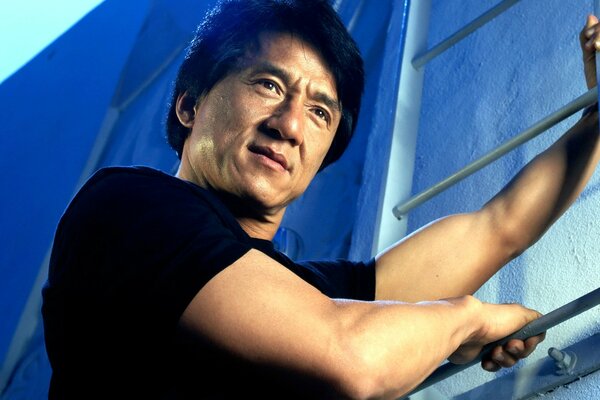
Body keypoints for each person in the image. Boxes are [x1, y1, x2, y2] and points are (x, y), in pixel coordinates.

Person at [41, 0, 600, 398]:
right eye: (268, 85)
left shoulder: (307, 295)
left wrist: (597, 113)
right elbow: (351, 358)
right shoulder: (127, 208)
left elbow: (498, 227)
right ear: (189, 105)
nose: (289, 126)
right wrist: (465, 321)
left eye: (319, 111)